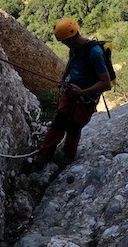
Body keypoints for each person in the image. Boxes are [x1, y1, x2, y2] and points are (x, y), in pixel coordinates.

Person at [35, 18, 112, 165]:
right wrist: (63, 79)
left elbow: (106, 83)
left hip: (86, 97)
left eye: (63, 42)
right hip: (72, 90)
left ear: (69, 39)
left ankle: (67, 157)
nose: (63, 44)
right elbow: (71, 63)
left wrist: (82, 92)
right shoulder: (75, 48)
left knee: (74, 127)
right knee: (59, 122)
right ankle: (44, 154)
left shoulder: (94, 52)